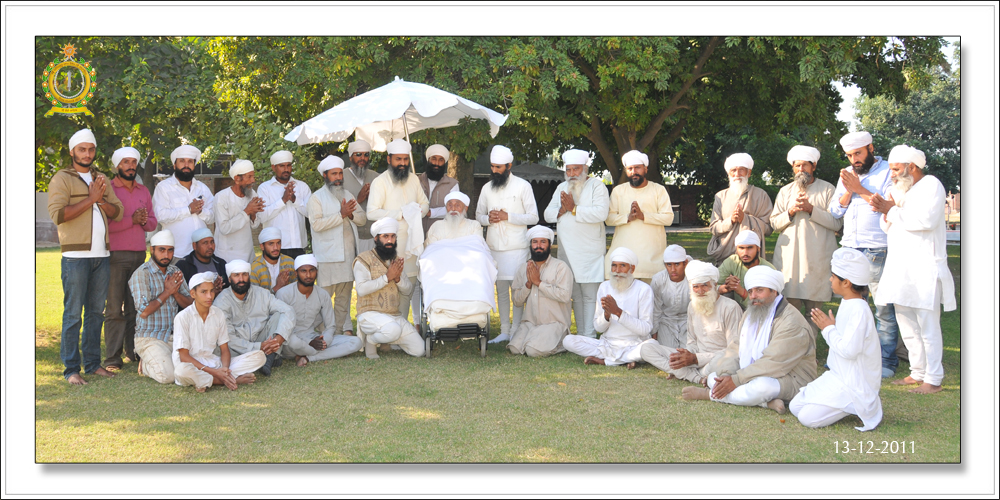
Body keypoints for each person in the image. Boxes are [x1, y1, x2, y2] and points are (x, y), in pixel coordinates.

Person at [870, 145, 956, 394]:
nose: (892, 174)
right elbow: (888, 226)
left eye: (896, 169)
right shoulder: (897, 189)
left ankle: (934, 378)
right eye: (891, 169)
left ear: (912, 167)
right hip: (900, 268)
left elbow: (926, 221)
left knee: (928, 327)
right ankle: (917, 372)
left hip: (924, 268)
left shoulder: (931, 185)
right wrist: (884, 211)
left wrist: (890, 209)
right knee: (907, 325)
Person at [681, 266, 817, 415]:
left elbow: (773, 362)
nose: (753, 296)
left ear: (774, 291)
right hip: (753, 372)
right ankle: (766, 403)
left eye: (759, 290)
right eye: (751, 291)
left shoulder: (791, 322)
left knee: (763, 387)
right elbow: (735, 348)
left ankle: (710, 395)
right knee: (716, 376)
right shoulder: (752, 313)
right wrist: (727, 374)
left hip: (791, 378)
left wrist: (736, 380)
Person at [47, 129, 125, 385]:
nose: (87, 154)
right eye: (82, 149)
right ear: (72, 151)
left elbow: (118, 212)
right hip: (75, 257)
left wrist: (100, 201)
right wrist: (91, 199)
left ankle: (92, 365)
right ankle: (71, 370)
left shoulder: (100, 178)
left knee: (95, 313)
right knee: (73, 314)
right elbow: (58, 215)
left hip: (102, 255)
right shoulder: (62, 178)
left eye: (91, 149)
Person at [829, 131, 901, 378]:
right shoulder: (847, 174)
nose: (854, 160)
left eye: (858, 154)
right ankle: (848, 356)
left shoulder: (888, 172)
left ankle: (886, 361)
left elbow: (887, 206)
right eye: (850, 156)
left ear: (871, 148)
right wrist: (848, 191)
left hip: (877, 247)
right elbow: (835, 211)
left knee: (882, 307)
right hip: (850, 247)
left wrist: (858, 188)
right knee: (851, 305)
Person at [790, 248, 883, 430]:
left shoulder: (859, 310)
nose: (830, 280)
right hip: (837, 376)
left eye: (833, 277)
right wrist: (831, 327)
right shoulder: (848, 302)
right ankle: (841, 405)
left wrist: (828, 328)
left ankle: (856, 406)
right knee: (795, 407)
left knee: (807, 418)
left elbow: (850, 351)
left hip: (854, 384)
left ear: (846, 282)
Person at [770, 145, 842, 334]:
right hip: (790, 261)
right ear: (793, 168)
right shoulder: (785, 191)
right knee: (789, 313)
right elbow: (774, 223)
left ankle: (810, 348)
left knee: (814, 314)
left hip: (817, 260)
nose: (801, 169)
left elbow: (837, 223)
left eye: (805, 165)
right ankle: (792, 346)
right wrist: (791, 211)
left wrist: (811, 210)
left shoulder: (828, 189)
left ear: (814, 166)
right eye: (797, 166)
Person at [542, 148, 610, 338]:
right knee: (575, 295)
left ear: (585, 169)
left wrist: (573, 209)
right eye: (569, 170)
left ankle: (590, 336)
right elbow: (547, 214)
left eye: (576, 169)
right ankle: (581, 335)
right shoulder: (561, 188)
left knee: (590, 296)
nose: (572, 174)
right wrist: (561, 210)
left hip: (590, 253)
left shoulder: (597, 187)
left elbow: (601, 213)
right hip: (567, 251)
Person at [640, 260, 743, 383]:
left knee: (728, 361)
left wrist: (696, 359)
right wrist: (685, 356)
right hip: (694, 360)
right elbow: (692, 341)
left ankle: (685, 374)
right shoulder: (692, 306)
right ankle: (697, 377)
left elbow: (734, 349)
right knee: (646, 349)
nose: (700, 291)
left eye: (705, 285)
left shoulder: (730, 307)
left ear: (715, 285)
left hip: (715, 361)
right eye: (696, 287)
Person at [476, 145, 539, 343]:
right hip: (494, 248)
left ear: (509, 166)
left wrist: (507, 216)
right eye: (492, 166)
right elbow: (478, 216)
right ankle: (504, 331)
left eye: (499, 167)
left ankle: (517, 330)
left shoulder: (523, 186)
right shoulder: (486, 188)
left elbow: (533, 217)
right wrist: (489, 219)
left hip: (517, 248)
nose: (494, 170)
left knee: (517, 290)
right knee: (501, 290)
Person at [105, 146, 158, 372]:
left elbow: (153, 223)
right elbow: (106, 225)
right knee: (114, 308)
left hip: (139, 256)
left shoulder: (143, 191)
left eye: (133, 162)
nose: (130, 166)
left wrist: (143, 220)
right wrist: (132, 220)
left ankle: (132, 351)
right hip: (115, 256)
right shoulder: (108, 189)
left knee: (135, 307)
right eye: (126, 162)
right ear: (118, 165)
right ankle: (112, 357)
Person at [366, 139, 430, 326]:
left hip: (412, 242)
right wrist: (401, 213)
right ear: (389, 159)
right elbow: (371, 212)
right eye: (398, 159)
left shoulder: (414, 179)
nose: (402, 163)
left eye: (405, 159)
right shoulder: (380, 182)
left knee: (409, 287)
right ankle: (391, 327)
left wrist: (418, 212)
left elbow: (425, 204)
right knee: (391, 289)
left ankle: (405, 326)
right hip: (390, 246)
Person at [173, 272, 265, 392]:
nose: (209, 296)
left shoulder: (218, 313)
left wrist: (224, 370)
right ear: (193, 294)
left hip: (213, 362)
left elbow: (225, 349)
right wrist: (216, 373)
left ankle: (207, 380)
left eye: (212, 291)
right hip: (191, 365)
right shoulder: (182, 317)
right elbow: (184, 356)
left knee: (260, 356)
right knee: (181, 371)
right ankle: (227, 380)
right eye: (204, 292)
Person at [562, 247, 654, 368]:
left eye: (622, 266)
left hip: (635, 344)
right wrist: (606, 315)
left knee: (651, 346)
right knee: (568, 341)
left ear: (632, 269)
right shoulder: (604, 287)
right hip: (608, 344)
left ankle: (606, 361)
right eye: (614, 266)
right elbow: (598, 328)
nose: (617, 271)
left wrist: (618, 312)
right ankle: (627, 359)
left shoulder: (644, 289)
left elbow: (646, 329)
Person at [308, 155, 367, 337]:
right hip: (327, 259)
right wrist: (341, 215)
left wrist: (350, 215)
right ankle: (322, 336)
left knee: (343, 302)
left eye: (340, 174)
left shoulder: (348, 195)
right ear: (325, 176)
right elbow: (316, 225)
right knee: (323, 302)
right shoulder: (316, 198)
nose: (338, 178)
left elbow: (362, 219)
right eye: (334, 174)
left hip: (348, 258)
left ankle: (339, 335)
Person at [353, 218, 426, 358]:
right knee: (393, 329)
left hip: (393, 315)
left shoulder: (395, 260)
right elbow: (361, 289)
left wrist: (397, 279)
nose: (389, 241)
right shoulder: (363, 259)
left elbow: (408, 290)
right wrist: (387, 278)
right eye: (385, 236)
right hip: (369, 314)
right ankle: (371, 340)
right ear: (376, 238)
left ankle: (384, 338)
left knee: (420, 350)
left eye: (393, 236)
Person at [128, 230, 193, 384]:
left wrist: (175, 294)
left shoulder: (175, 271)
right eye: (161, 250)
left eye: (170, 250)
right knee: (168, 376)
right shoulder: (142, 274)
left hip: (174, 336)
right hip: (149, 337)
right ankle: (146, 364)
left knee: (197, 365)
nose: (166, 255)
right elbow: (144, 311)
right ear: (152, 250)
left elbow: (191, 303)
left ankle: (159, 359)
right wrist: (167, 292)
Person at [277, 255, 364, 366]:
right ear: (296, 273)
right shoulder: (283, 294)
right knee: (294, 342)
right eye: (303, 271)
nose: (308, 275)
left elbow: (330, 326)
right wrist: (309, 343)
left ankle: (308, 357)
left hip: (312, 337)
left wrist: (323, 342)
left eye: (311, 270)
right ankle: (314, 353)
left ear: (317, 272)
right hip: (290, 341)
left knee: (356, 342)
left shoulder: (322, 294)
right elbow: (280, 328)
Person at [213, 259, 295, 376]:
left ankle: (269, 356)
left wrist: (278, 339)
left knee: (279, 315)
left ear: (249, 276)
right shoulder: (221, 301)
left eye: (244, 274)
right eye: (236, 275)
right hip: (237, 348)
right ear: (230, 279)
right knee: (225, 349)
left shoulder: (261, 293)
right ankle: (269, 357)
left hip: (262, 339)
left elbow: (288, 310)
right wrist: (258, 347)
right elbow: (229, 337)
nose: (241, 279)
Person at [604, 150, 674, 282]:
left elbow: (668, 218)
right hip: (624, 259)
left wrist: (644, 216)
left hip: (652, 260)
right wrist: (627, 217)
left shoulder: (658, 190)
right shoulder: (618, 191)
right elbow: (608, 219)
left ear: (645, 169)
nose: (634, 172)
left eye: (637, 167)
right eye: (630, 168)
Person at [508, 225, 575, 357]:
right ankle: (535, 340)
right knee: (514, 349)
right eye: (535, 242)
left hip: (554, 324)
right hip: (530, 323)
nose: (538, 246)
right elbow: (517, 301)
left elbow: (565, 296)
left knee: (532, 351)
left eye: (543, 242)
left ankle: (563, 342)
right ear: (530, 245)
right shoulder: (523, 268)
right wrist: (528, 284)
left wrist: (539, 283)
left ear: (550, 245)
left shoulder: (560, 267)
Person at [707, 153, 773, 267]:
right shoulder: (720, 197)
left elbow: (768, 228)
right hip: (726, 258)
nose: (737, 174)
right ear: (728, 173)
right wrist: (731, 220)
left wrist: (745, 219)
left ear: (749, 172)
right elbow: (714, 228)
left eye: (741, 170)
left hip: (752, 260)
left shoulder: (761, 195)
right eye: (733, 170)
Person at [152, 144, 214, 260]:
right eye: (182, 161)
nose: (186, 165)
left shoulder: (202, 188)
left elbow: (213, 217)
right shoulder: (164, 188)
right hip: (176, 253)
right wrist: (188, 210)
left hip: (201, 254)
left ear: (194, 165)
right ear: (174, 165)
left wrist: (201, 212)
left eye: (190, 161)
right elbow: (160, 215)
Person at [257, 150, 311, 259]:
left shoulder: (302, 187)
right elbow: (262, 217)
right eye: (282, 166)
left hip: (299, 246)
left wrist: (295, 200)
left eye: (288, 165)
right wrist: (283, 200)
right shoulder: (264, 188)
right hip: (275, 248)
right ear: (273, 167)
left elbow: (311, 213)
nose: (286, 169)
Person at [213, 159, 263, 264]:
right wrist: (247, 211)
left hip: (248, 252)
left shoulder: (252, 194)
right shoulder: (221, 197)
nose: (253, 180)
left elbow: (255, 225)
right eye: (249, 177)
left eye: (253, 176)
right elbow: (224, 228)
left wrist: (253, 214)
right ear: (237, 179)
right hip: (226, 255)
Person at [717, 229, 776, 309]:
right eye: (741, 248)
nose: (745, 253)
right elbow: (710, 283)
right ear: (736, 249)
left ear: (758, 248)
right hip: (737, 311)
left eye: (750, 248)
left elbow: (768, 304)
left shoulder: (768, 270)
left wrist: (741, 291)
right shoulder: (733, 261)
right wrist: (724, 288)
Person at [342, 139, 380, 254]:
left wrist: (373, 199)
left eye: (366, 155)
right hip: (350, 237)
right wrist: (358, 199)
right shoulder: (341, 177)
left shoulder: (377, 177)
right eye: (358, 154)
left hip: (374, 236)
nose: (362, 158)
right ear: (350, 157)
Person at [650, 245, 691, 348]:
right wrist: (654, 333)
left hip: (689, 320)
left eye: (677, 264)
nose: (673, 269)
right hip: (666, 321)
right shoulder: (658, 280)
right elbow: (656, 309)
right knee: (667, 351)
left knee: (689, 350)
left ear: (685, 263)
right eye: (669, 265)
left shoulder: (692, 278)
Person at [418, 144, 460, 234]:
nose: (437, 163)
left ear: (444, 162)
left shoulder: (452, 184)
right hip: (418, 232)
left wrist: (431, 213)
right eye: (434, 159)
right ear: (428, 160)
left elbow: (454, 209)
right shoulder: (417, 181)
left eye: (441, 160)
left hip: (441, 234)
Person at [176, 228, 229, 295]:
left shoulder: (221, 263)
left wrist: (220, 289)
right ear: (194, 246)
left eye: (212, 242)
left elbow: (228, 289)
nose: (210, 246)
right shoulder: (183, 265)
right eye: (205, 243)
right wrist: (212, 291)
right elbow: (182, 294)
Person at [250, 227, 296, 293]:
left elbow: (297, 290)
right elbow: (255, 296)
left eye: (278, 243)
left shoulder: (290, 262)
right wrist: (277, 287)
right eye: (271, 244)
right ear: (262, 246)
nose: (276, 248)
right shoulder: (255, 268)